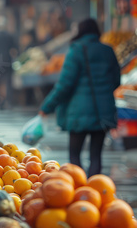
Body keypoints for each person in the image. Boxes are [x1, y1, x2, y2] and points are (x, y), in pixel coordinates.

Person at [39, 18, 120, 177]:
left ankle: (78, 188)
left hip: (78, 112)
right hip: (102, 111)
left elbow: (64, 85)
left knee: (74, 155)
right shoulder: (107, 50)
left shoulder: (76, 50)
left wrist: (46, 107)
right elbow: (116, 81)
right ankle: (94, 189)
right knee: (96, 155)